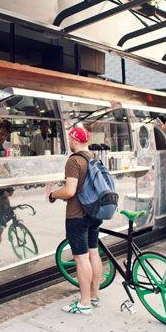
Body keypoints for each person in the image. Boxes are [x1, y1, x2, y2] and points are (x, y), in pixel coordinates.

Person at [49, 126, 103, 315]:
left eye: (70, 140)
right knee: (94, 253)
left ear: (74, 140)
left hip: (77, 215)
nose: (70, 143)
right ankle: (94, 296)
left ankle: (84, 303)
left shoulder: (74, 161)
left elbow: (70, 191)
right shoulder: (94, 158)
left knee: (81, 258)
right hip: (94, 213)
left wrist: (53, 194)